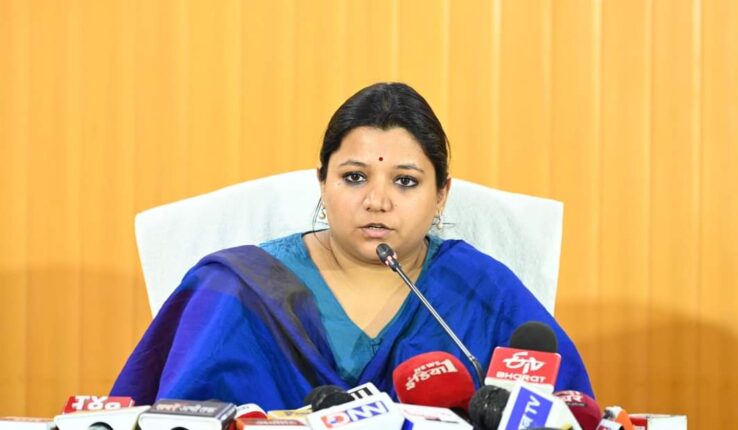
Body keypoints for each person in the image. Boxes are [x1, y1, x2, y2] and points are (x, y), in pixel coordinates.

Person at [111, 82, 593, 409]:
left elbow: (568, 411)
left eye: (406, 181)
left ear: (442, 195)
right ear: (322, 183)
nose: (377, 201)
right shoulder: (235, 291)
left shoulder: (482, 292)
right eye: (354, 177)